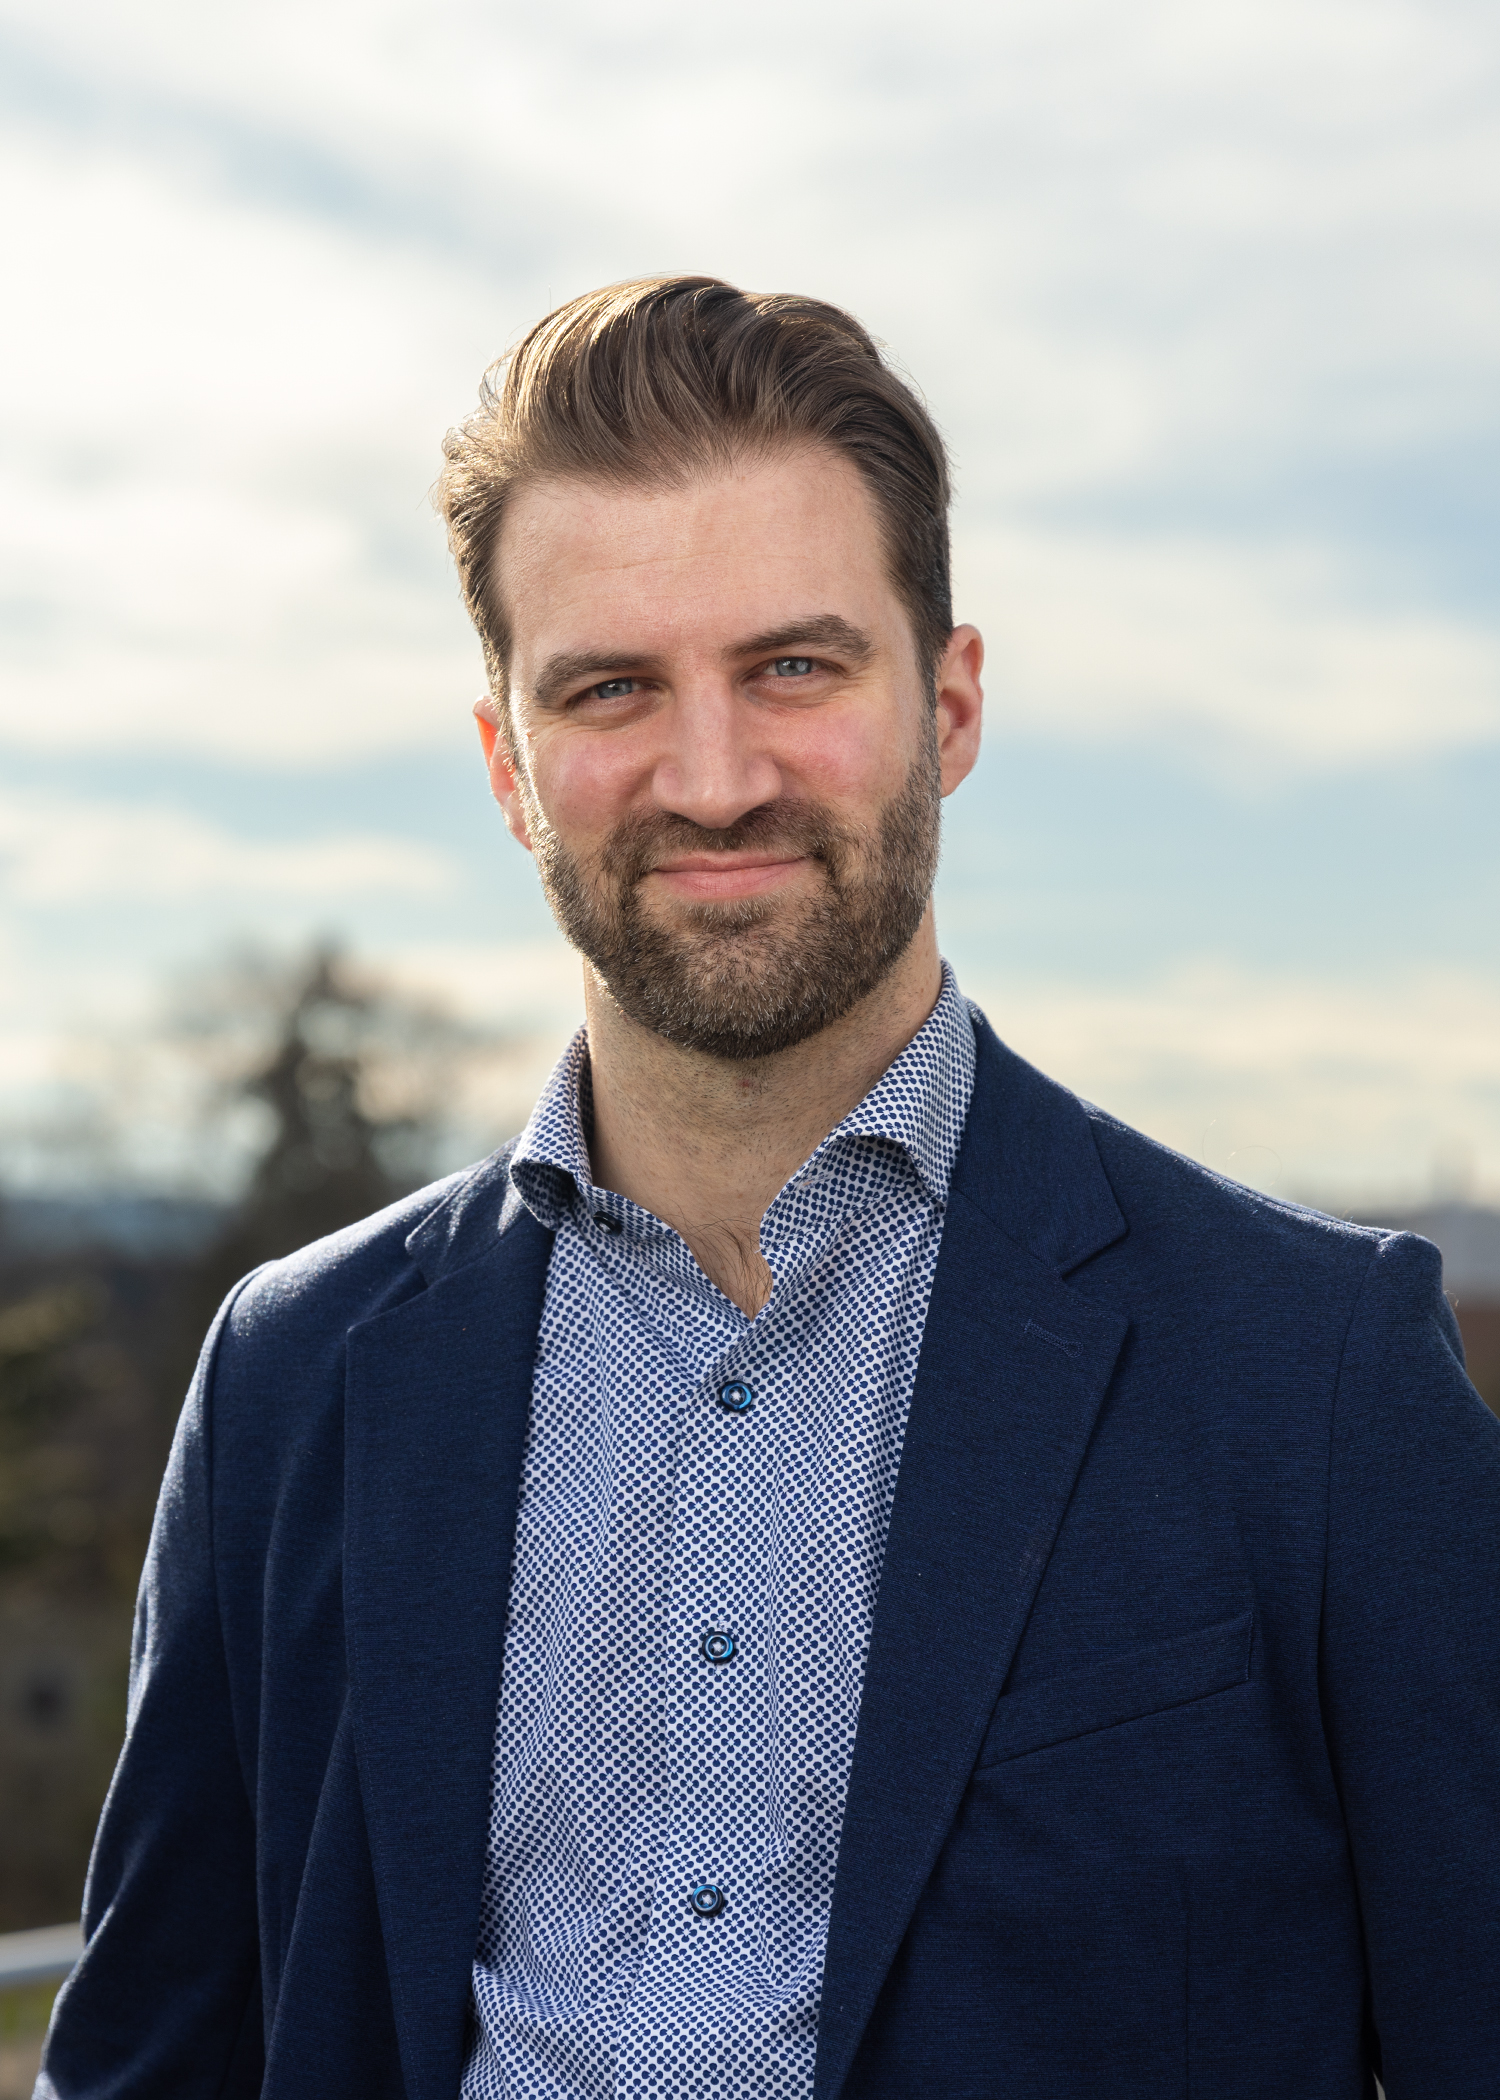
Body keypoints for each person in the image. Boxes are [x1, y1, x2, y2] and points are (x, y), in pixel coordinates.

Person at [39, 276, 1500, 2100]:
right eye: (611, 688)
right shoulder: (297, 1378)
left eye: (794, 666)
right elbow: (156, 2059)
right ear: (508, 762)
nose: (714, 778)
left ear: (949, 706)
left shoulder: (1315, 1374)